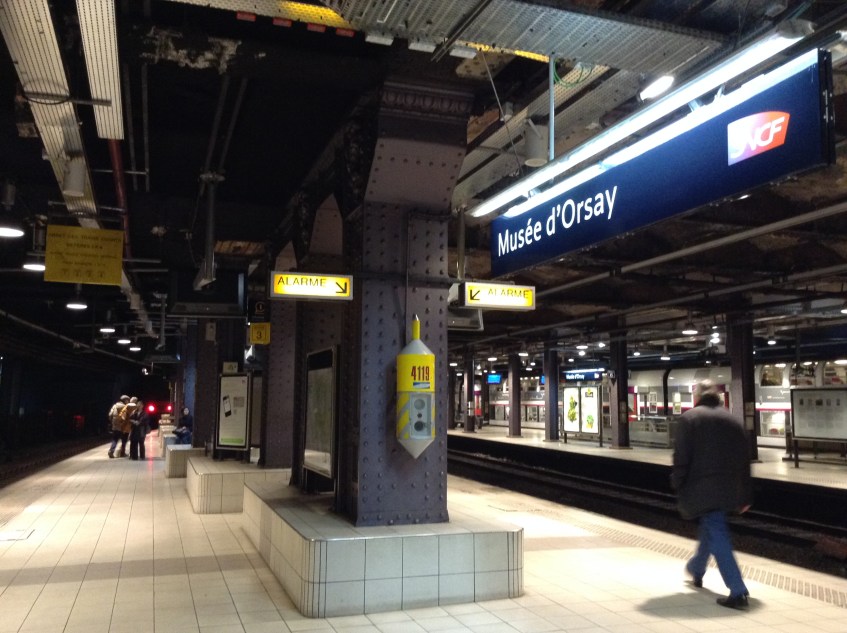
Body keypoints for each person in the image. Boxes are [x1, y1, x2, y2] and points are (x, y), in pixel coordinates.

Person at [671, 380, 753, 609]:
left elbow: (681, 456)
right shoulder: (733, 420)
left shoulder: (690, 419)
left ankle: (738, 590)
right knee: (711, 526)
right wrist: (746, 494)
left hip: (703, 488)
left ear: (697, 397)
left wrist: (677, 481)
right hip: (731, 488)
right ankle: (696, 569)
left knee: (716, 531)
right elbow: (745, 460)